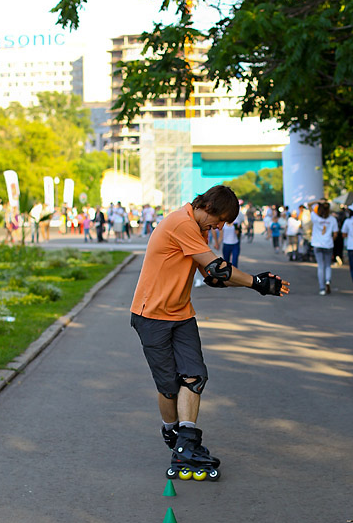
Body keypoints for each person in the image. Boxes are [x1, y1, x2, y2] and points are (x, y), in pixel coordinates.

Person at [130, 185, 289, 481]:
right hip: (151, 316)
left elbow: (215, 278)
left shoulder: (198, 229)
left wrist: (258, 285)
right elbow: (220, 268)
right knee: (169, 387)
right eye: (221, 220)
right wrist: (256, 282)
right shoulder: (182, 222)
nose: (221, 227)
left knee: (195, 376)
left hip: (181, 314)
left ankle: (187, 442)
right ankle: (173, 434)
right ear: (209, 208)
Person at [309, 200, 338, 295]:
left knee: (320, 266)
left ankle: (322, 288)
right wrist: (331, 240)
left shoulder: (316, 218)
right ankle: (328, 281)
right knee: (328, 265)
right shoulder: (332, 219)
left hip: (317, 244)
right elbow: (335, 233)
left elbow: (309, 205)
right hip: (328, 244)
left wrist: (318, 201)